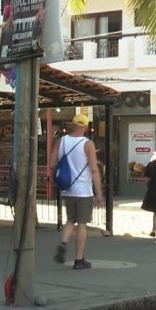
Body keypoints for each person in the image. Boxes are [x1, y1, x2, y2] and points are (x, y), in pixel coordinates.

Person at [52, 114, 102, 269]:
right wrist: (99, 192)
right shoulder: (88, 144)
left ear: (72, 125)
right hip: (83, 191)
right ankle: (79, 260)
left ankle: (63, 242)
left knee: (70, 220)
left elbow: (52, 163)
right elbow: (94, 169)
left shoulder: (61, 141)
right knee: (81, 224)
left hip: (67, 188)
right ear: (85, 127)